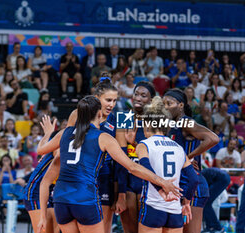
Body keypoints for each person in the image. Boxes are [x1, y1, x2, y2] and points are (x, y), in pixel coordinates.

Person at [37, 96, 181, 233]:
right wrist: (162, 182)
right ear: (99, 114)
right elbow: (132, 167)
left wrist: (48, 133)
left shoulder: (64, 133)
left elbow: (40, 150)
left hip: (61, 201)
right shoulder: (103, 137)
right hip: (84, 199)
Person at [137, 96, 198, 233]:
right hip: (175, 210)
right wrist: (187, 202)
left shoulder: (144, 144)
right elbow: (194, 179)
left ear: (149, 124)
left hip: (152, 207)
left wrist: (161, 189)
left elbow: (146, 169)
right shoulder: (178, 148)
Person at [163, 88, 219, 233]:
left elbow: (212, 138)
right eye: (163, 104)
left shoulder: (185, 122)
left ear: (180, 105)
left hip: (193, 185)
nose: (166, 107)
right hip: (180, 184)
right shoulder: (172, 125)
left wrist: (187, 158)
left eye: (169, 103)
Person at [120, 81, 157, 233]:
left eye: (143, 95)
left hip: (148, 182)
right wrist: (120, 191)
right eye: (136, 94)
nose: (138, 98)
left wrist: (133, 143)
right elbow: (120, 156)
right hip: (128, 180)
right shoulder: (124, 117)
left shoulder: (156, 121)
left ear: (151, 100)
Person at [202, 168, 230, 233]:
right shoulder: (201, 174)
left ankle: (216, 227)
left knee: (206, 203)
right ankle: (212, 226)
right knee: (206, 203)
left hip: (222, 178)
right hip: (223, 177)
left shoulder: (199, 176)